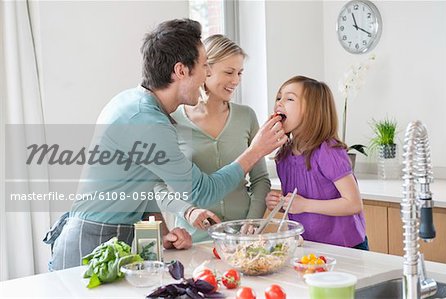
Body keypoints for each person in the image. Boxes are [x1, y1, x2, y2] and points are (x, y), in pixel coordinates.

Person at [45, 19, 287, 271]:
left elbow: (142, 185)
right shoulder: (146, 121)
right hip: (93, 242)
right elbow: (201, 192)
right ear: (181, 70)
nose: (207, 74)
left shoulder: (135, 104)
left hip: (112, 237)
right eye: (204, 66)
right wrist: (256, 150)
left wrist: (163, 231)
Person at [157, 34, 270, 242]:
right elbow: (158, 187)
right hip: (193, 239)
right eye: (229, 72)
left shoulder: (247, 116)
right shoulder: (172, 121)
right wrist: (187, 211)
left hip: (242, 239)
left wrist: (252, 222)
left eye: (240, 73)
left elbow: (260, 179)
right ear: (205, 70)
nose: (235, 81)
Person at [265, 75, 368, 250]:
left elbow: (353, 203)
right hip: (308, 246)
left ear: (312, 111)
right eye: (278, 98)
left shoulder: (328, 151)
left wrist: (304, 204)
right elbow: (297, 203)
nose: (279, 103)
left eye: (289, 98)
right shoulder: (283, 156)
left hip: (347, 247)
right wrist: (280, 204)